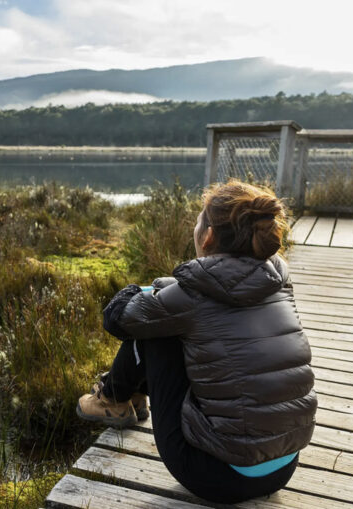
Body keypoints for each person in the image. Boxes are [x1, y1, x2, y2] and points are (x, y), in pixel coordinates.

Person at [77, 180, 317, 504]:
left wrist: (145, 289)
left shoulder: (192, 294)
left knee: (156, 329)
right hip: (284, 465)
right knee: (180, 324)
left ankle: (113, 398)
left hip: (217, 477)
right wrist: (166, 291)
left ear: (207, 237)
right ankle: (126, 397)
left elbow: (117, 319)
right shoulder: (278, 278)